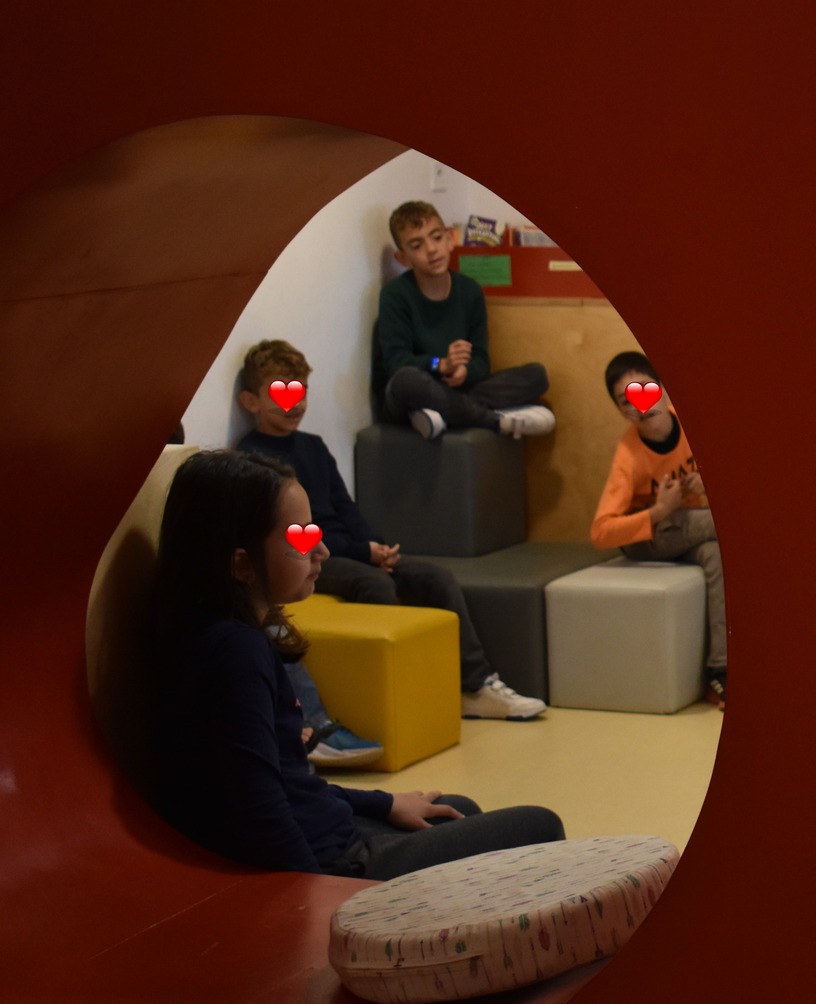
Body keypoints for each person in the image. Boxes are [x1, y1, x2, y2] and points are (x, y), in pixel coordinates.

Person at [147, 448, 564, 878]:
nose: (323, 551)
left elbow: (293, 784)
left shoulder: (221, 633)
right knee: (540, 826)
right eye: (300, 539)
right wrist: (315, 902)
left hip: (327, 830)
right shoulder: (237, 651)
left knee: (457, 809)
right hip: (334, 865)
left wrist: (384, 802)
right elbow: (261, 810)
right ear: (241, 563)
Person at [235, 339, 547, 720]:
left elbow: (344, 506)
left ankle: (476, 685)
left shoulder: (313, 446)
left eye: (301, 391)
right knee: (375, 584)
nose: (294, 403)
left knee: (436, 578)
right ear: (250, 401)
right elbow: (288, 532)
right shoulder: (252, 458)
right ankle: (402, 694)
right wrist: (362, 553)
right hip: (307, 557)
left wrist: (374, 545)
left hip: (350, 548)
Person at [591, 351, 728, 710]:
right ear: (620, 410)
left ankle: (721, 670)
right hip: (648, 540)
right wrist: (657, 512)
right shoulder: (629, 455)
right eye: (626, 401)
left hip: (693, 531)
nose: (640, 406)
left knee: (716, 555)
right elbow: (601, 533)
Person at [373, 200, 555, 442]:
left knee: (535, 376)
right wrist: (440, 364)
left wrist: (464, 371)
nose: (431, 249)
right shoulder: (395, 295)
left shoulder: (469, 291)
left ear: (449, 239)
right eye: (417, 245)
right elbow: (397, 363)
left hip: (456, 389)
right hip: (413, 391)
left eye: (437, 237)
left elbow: (481, 359)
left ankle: (438, 414)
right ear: (403, 258)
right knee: (407, 381)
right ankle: (495, 421)